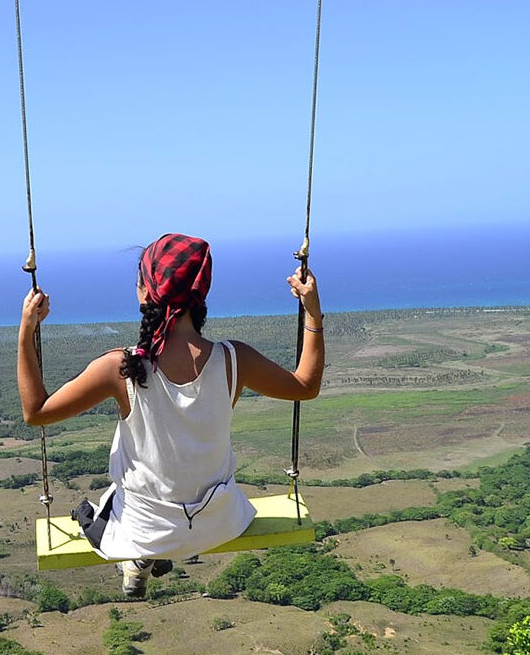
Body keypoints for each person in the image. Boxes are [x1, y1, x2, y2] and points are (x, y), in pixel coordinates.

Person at [17, 233, 323, 597]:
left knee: (95, 508)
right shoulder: (233, 360)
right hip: (220, 524)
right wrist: (313, 312)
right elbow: (305, 385)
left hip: (142, 530)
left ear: (145, 293)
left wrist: (26, 332)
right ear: (202, 294)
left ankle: (139, 558)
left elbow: (35, 412)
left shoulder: (121, 367)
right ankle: (144, 559)